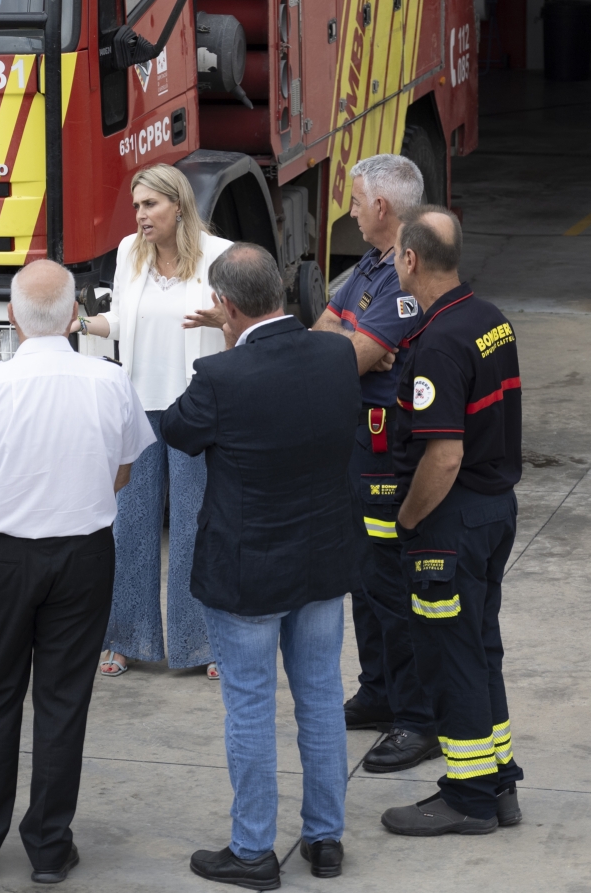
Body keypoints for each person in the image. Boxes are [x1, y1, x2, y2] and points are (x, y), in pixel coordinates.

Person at [0, 260, 156, 885]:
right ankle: (50, 847)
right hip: (84, 557)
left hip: (5, 557)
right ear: (73, 318)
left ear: (12, 318)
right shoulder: (110, 380)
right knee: (63, 701)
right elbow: (124, 470)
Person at [161, 244, 360, 888]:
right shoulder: (336, 354)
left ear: (224, 305)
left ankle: (253, 851)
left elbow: (180, 433)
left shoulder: (222, 377)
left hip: (247, 570)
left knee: (249, 707)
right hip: (323, 558)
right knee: (322, 698)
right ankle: (325, 840)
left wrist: (222, 353)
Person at [379, 206, 525, 837]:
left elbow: (443, 454)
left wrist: (409, 521)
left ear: (410, 259)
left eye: (394, 256)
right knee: (481, 648)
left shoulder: (439, 341)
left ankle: (467, 798)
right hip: (494, 513)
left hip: (450, 522)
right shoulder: (488, 319)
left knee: (449, 657)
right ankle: (498, 781)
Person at [77, 163, 230, 679]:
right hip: (139, 406)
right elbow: (119, 320)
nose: (140, 215)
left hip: (194, 407)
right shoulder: (128, 252)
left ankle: (202, 645)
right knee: (131, 526)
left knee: (193, 526)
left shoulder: (219, 255)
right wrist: (78, 323)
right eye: (137, 205)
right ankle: (124, 640)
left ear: (179, 206)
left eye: (150, 205)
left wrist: (223, 319)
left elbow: (245, 320)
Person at [312, 154, 439, 772]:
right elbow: (323, 339)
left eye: (357, 201)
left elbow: (352, 357)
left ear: (383, 208)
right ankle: (379, 691)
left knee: (394, 586)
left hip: (393, 456)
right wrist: (353, 340)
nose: (352, 210)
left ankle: (417, 719)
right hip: (360, 450)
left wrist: (355, 343)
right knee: (364, 577)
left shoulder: (407, 278)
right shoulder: (368, 266)